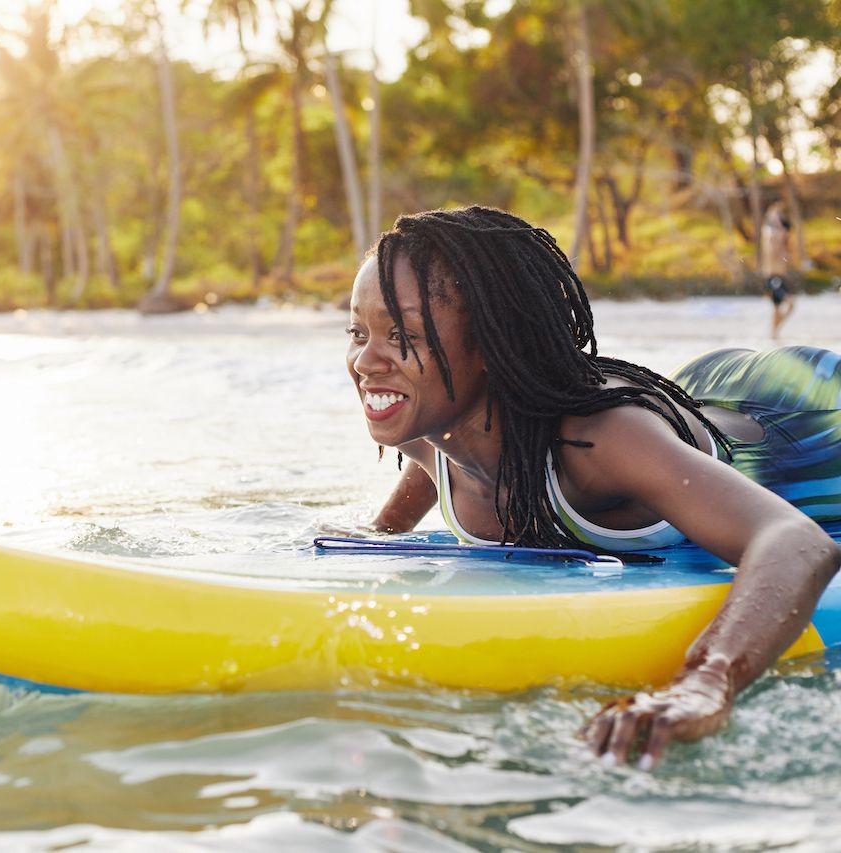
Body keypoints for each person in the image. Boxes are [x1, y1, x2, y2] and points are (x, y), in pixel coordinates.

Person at [346, 206, 841, 770]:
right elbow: (432, 466)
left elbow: (796, 540)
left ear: (491, 344)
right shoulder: (432, 433)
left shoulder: (594, 445)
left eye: (402, 335)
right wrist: (379, 532)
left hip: (812, 427)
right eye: (358, 332)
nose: (365, 361)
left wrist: (705, 682)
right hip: (698, 398)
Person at [760, 201, 796, 339]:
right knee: (790, 304)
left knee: (776, 309)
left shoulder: (780, 238)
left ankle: (774, 334)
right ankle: (774, 332)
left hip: (780, 278)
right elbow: (773, 250)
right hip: (773, 278)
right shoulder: (770, 235)